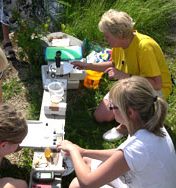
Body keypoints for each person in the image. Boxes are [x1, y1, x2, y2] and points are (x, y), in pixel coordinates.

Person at [71, 9, 172, 141]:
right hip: (130, 82)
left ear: (120, 34)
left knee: (125, 107)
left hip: (154, 89)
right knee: (101, 116)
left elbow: (157, 84)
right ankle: (130, 114)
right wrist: (88, 66)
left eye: (107, 36)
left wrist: (124, 76)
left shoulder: (144, 47)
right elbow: (113, 65)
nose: (104, 38)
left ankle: (126, 126)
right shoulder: (119, 44)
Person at [57, 76, 176, 188]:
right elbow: (120, 155)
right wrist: (84, 152)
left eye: (113, 106)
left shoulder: (137, 147)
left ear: (130, 113)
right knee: (85, 160)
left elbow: (88, 183)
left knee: (76, 184)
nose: (111, 109)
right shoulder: (149, 124)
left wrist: (73, 150)